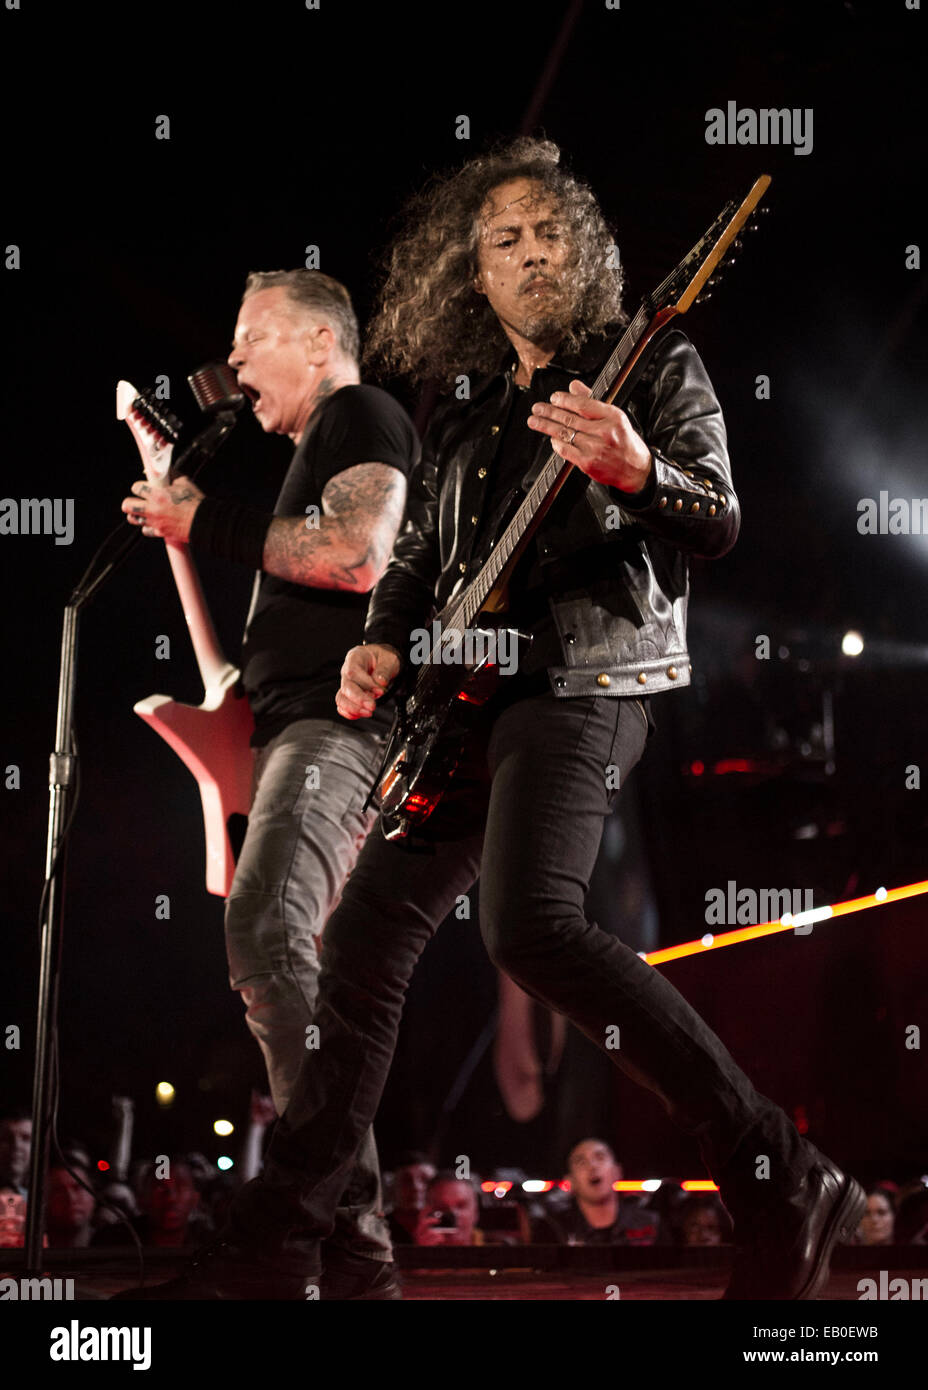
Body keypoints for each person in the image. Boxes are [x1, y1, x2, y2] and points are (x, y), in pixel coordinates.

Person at [117, 139, 864, 1302]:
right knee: (356, 949)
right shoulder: (464, 416)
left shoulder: (652, 361)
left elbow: (713, 516)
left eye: (550, 231)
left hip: (581, 686)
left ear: (592, 252)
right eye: (503, 239)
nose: (529, 254)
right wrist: (380, 639)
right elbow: (415, 562)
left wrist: (632, 470)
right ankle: (275, 1243)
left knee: (529, 926)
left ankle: (772, 1167)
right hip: (462, 703)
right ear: (471, 271)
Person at [119, 269, 416, 1299]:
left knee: (269, 939)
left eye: (252, 339)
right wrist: (184, 526)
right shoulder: (300, 463)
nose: (234, 361)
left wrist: (206, 520)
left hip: (340, 735)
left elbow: (356, 554)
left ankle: (325, 1233)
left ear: (319, 344)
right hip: (293, 726)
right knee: (276, 949)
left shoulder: (361, 412)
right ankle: (347, 1237)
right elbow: (244, 666)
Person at [531, 1139, 663, 1245]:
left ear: (617, 1171)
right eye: (581, 1162)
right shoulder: (553, 1230)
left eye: (600, 1157)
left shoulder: (651, 1224)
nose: (592, 1166)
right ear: (570, 1181)